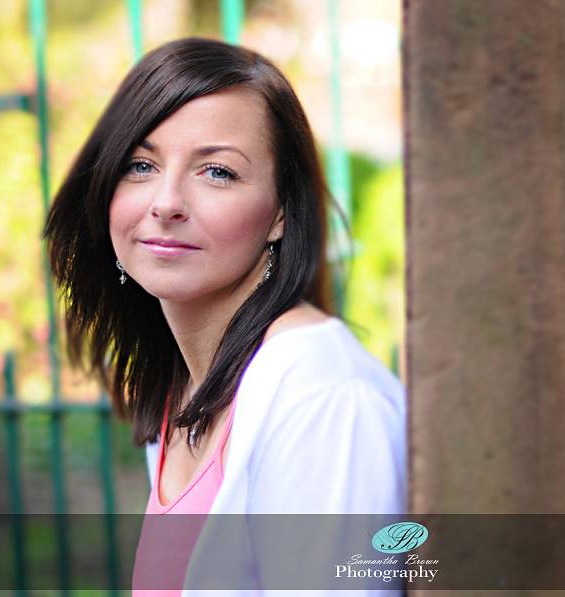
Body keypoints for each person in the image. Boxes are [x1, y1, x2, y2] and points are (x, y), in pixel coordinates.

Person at [43, 37, 406, 595]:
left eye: (217, 172)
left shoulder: (325, 398)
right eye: (140, 165)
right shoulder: (188, 390)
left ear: (281, 213)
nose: (166, 202)